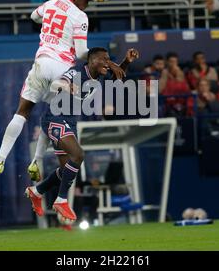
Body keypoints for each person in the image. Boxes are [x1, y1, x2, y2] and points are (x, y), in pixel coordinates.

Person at [0, 0, 124, 175]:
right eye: (86, 0)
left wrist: (50, 26)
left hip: (42, 63)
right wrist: (102, 60)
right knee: (51, 117)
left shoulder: (50, 4)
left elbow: (34, 17)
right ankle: (36, 161)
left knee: (22, 112)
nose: (87, 5)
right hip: (63, 70)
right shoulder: (80, 17)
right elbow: (82, 52)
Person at [25, 47, 139, 222]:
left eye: (109, 59)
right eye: (104, 59)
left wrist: (126, 62)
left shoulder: (99, 76)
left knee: (67, 171)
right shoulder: (77, 72)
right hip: (55, 118)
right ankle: (61, 201)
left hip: (70, 121)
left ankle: (36, 191)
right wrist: (66, 85)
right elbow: (56, 83)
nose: (107, 63)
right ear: (92, 60)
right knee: (78, 155)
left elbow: (118, 77)